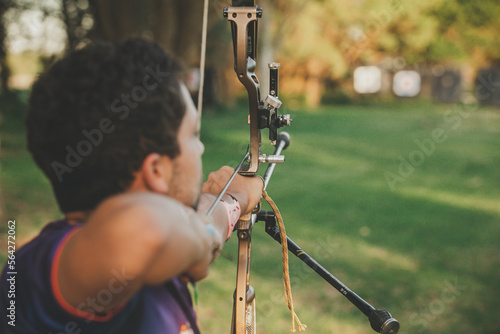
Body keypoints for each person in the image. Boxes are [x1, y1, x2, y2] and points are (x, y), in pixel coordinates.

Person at [0, 38, 263, 334]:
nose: (200, 148)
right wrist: (205, 239)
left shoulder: (155, 251)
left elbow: (182, 226)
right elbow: (149, 231)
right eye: (193, 134)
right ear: (155, 170)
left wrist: (230, 199)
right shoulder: (50, 269)